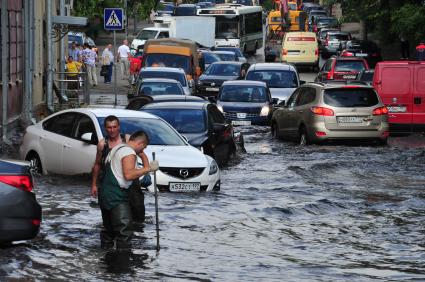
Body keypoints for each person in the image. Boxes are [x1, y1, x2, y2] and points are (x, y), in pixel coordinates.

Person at [97, 130, 159, 249]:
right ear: (140, 144)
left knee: (109, 231)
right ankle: (123, 264)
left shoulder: (117, 148)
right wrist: (148, 169)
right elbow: (129, 175)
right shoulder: (128, 153)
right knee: (124, 233)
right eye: (144, 148)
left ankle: (106, 260)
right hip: (116, 196)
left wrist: (145, 163)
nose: (143, 151)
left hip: (105, 194)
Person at [91, 115, 150, 223]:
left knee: (137, 210)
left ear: (119, 127)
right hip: (113, 182)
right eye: (109, 127)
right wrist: (94, 184)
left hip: (131, 181)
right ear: (105, 128)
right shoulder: (102, 144)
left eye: (114, 127)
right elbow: (97, 164)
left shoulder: (127, 139)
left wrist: (147, 172)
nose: (112, 130)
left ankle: (137, 235)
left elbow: (142, 154)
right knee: (113, 214)